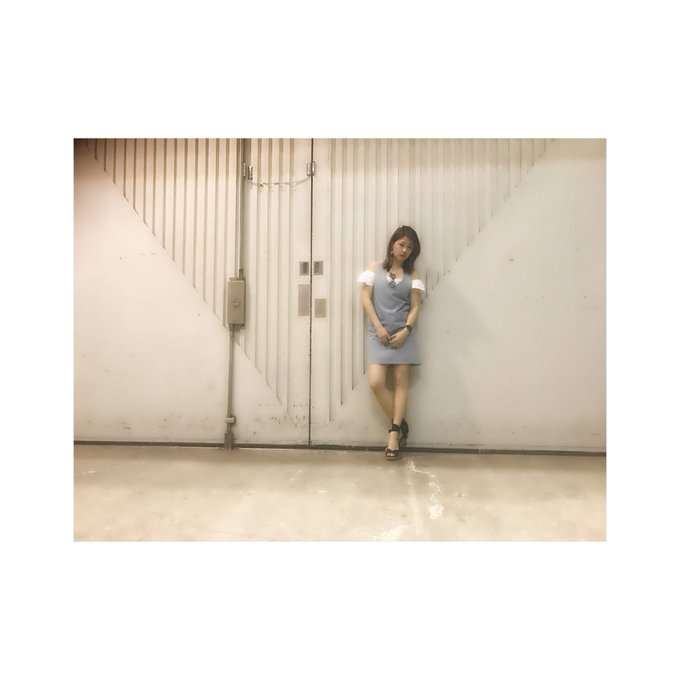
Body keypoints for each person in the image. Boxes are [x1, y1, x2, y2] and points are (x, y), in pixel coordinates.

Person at [358, 226, 424, 460]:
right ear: (392, 244)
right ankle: (401, 424)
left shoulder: (413, 274)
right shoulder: (374, 267)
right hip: (379, 334)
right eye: (401, 244)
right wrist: (377, 326)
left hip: (403, 336)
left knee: (400, 384)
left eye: (410, 247)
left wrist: (407, 330)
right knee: (376, 382)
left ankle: (393, 436)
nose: (404, 250)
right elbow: (365, 298)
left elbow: (415, 307)